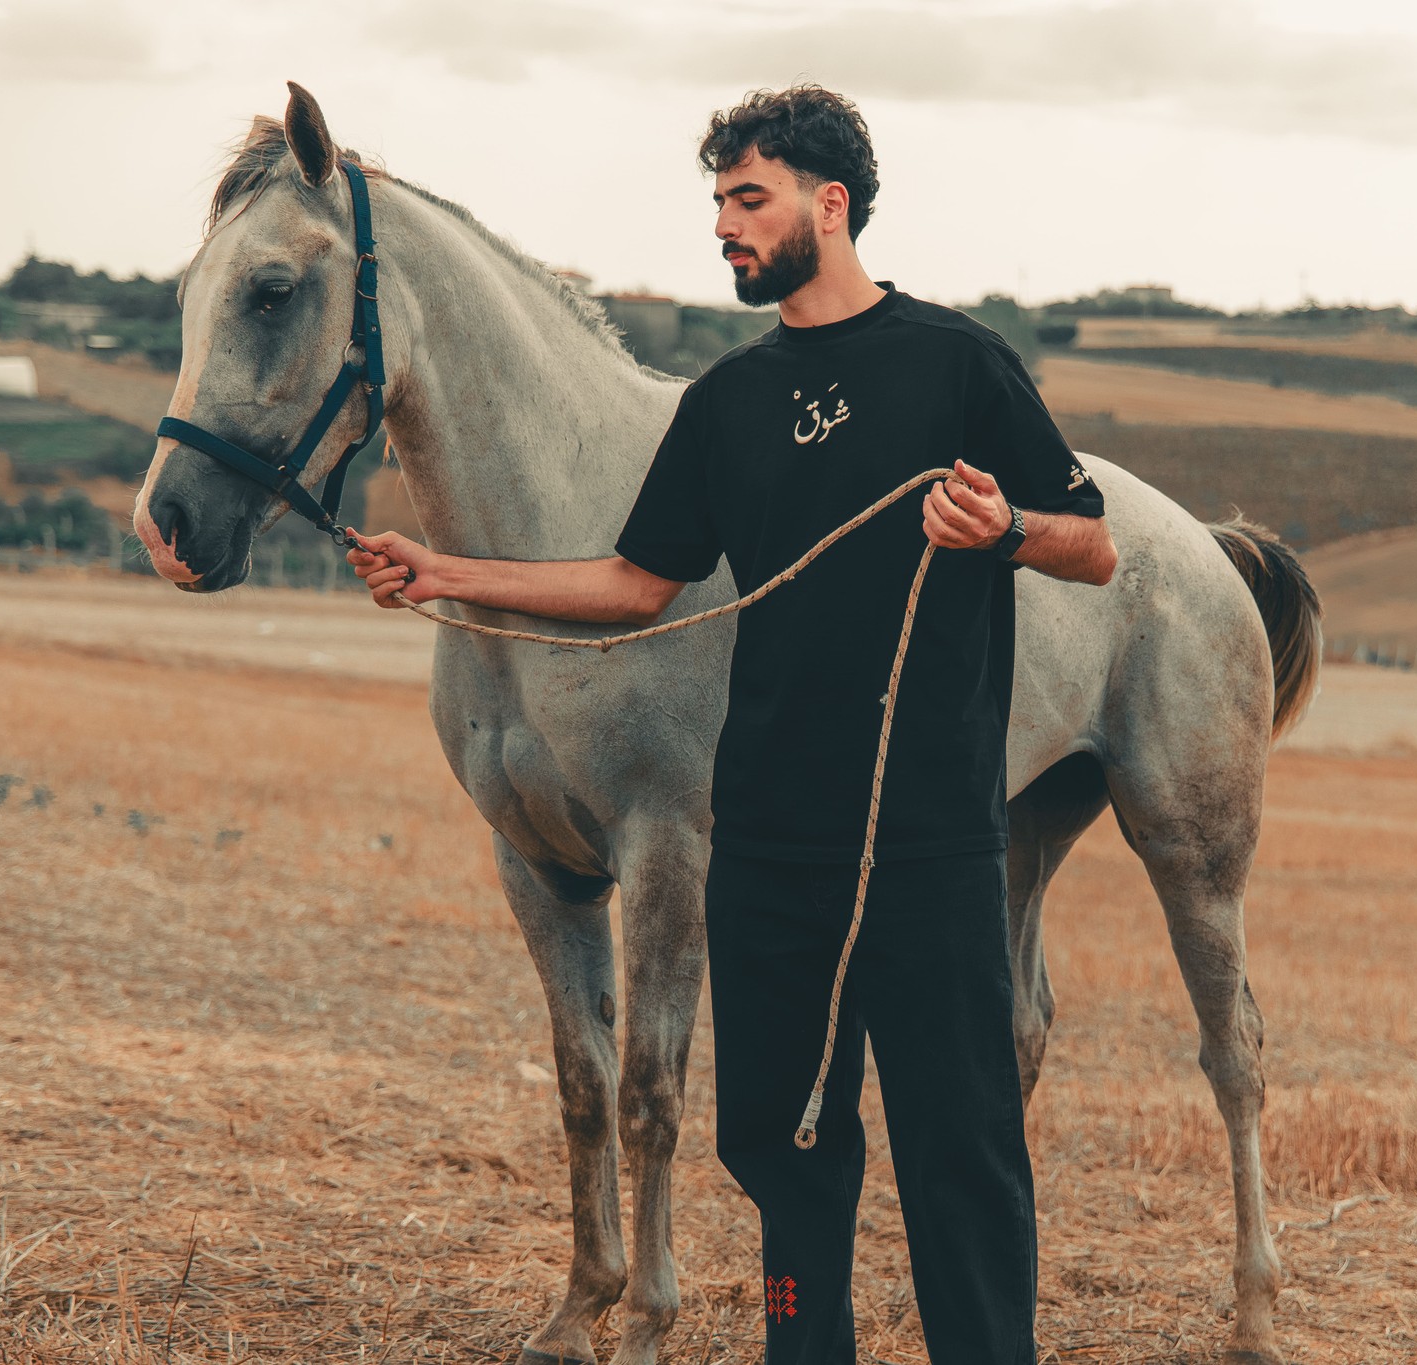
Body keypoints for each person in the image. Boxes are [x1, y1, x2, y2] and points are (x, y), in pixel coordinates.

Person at [346, 85, 1115, 1365]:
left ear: (830, 202)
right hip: (763, 849)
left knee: (959, 1154)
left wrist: (1009, 531)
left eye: (746, 198)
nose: (724, 225)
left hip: (923, 846)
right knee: (781, 1152)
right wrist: (446, 574)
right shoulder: (728, 400)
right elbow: (634, 583)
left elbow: (1090, 547)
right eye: (715, 202)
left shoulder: (957, 364)